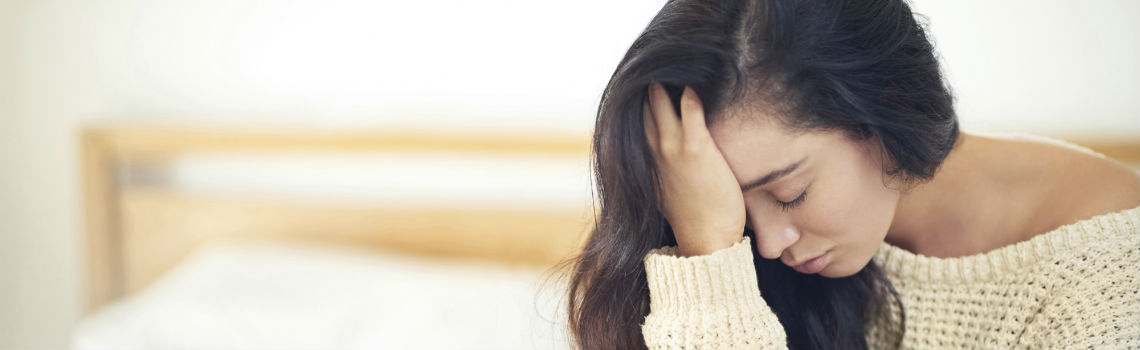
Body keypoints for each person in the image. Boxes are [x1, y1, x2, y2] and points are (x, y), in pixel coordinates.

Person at [564, 0, 1140, 349]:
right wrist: (709, 250)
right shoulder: (761, 258)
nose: (765, 244)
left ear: (881, 107)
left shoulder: (1112, 281)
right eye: (730, 208)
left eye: (790, 193)